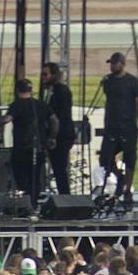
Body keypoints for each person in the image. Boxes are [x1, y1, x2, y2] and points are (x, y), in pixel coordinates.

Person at [97, 53, 138, 203]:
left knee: (130, 158)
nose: (111, 66)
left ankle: (127, 190)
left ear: (122, 64)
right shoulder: (108, 81)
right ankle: (120, 178)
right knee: (105, 157)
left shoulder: (132, 82)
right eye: (110, 63)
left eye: (114, 63)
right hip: (111, 126)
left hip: (128, 126)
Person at [8, 78, 50, 203]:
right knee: (35, 177)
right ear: (31, 90)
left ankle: (25, 202)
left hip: (21, 148)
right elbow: (54, 120)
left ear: (17, 90)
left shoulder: (16, 105)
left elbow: (7, 118)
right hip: (38, 148)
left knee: (20, 176)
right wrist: (51, 137)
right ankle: (34, 202)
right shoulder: (41, 105)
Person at [42, 62, 76, 197]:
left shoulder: (61, 91)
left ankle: (66, 197)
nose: (43, 77)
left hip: (62, 135)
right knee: (57, 168)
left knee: (60, 168)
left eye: (46, 74)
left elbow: (60, 115)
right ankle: (63, 195)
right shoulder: (50, 91)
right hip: (56, 134)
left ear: (54, 75)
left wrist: (53, 135)